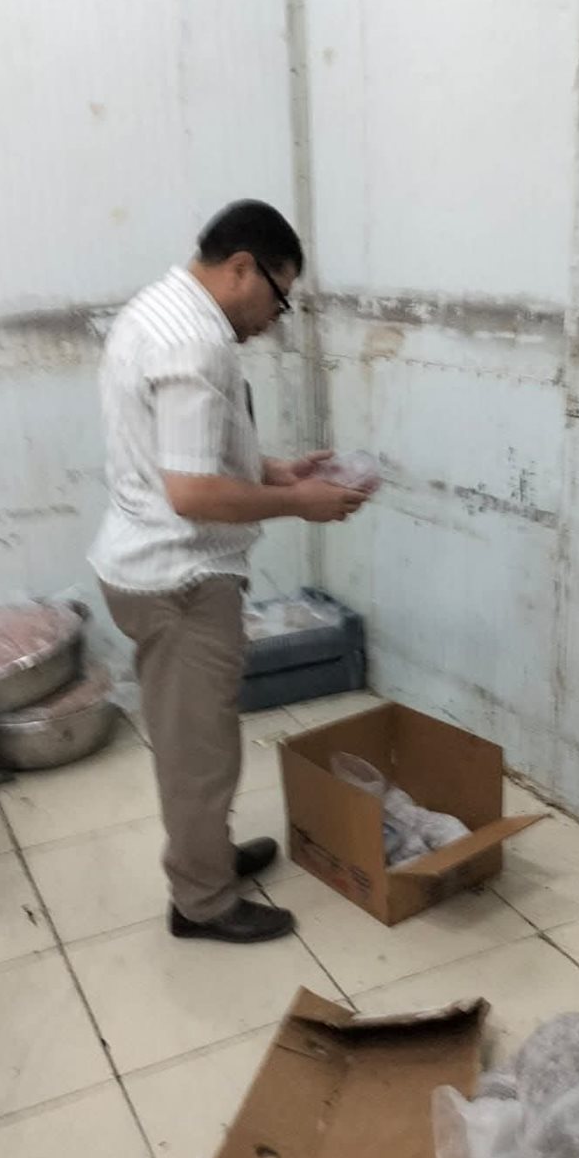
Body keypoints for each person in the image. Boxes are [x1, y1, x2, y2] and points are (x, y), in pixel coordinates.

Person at [89, 200, 368, 944]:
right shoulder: (197, 343)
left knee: (196, 739)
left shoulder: (158, 308)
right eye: (279, 297)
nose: (275, 319)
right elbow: (192, 493)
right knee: (199, 755)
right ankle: (202, 902)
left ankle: (206, 856)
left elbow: (183, 452)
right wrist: (300, 503)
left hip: (147, 563)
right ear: (242, 268)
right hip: (179, 579)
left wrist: (276, 469)